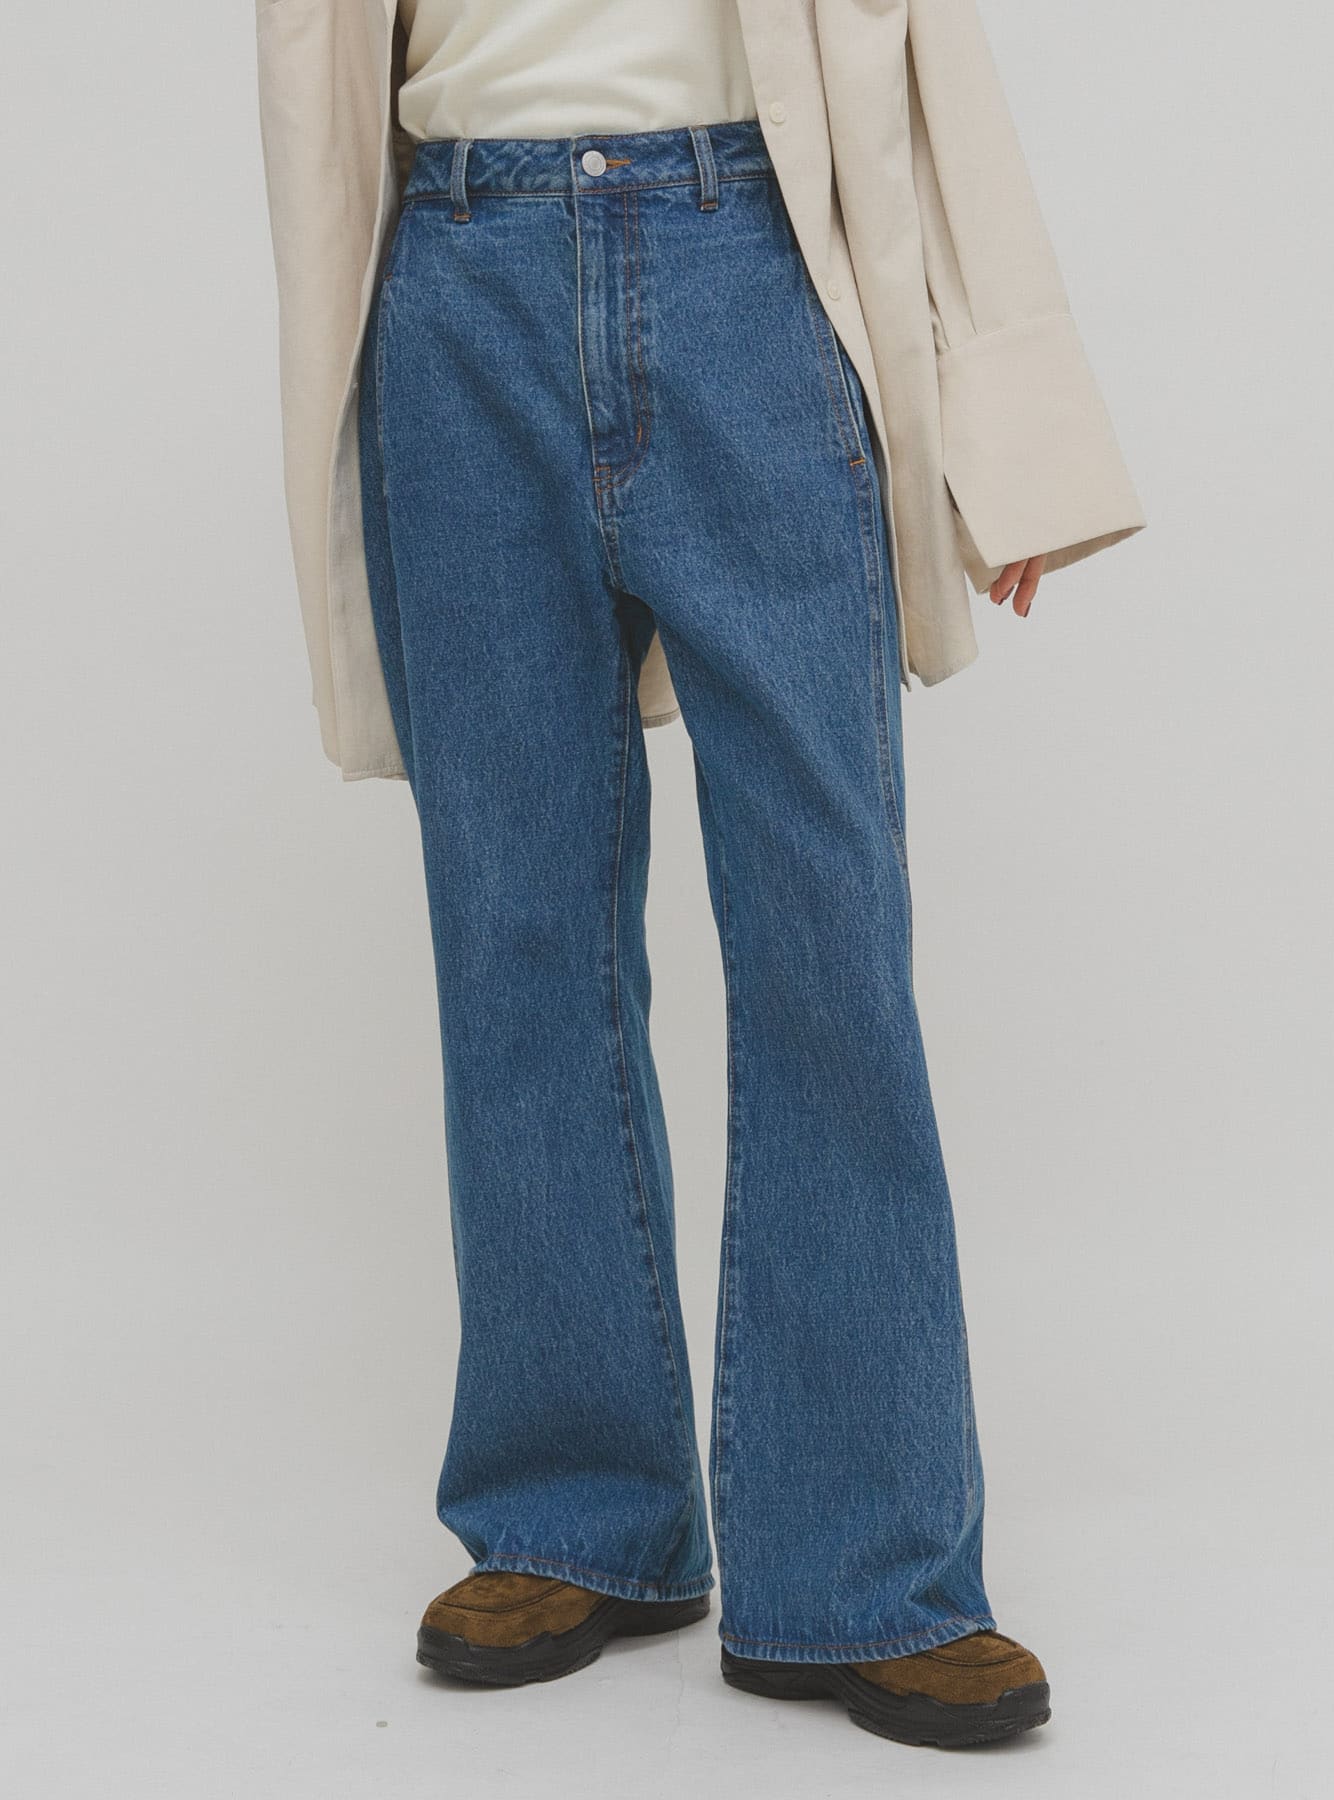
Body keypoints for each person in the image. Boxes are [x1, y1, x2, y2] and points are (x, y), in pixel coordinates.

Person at [255, 0, 1143, 1750]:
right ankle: (572, 1517)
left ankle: (867, 1566)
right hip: (457, 276)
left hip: (751, 260)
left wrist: (1000, 420)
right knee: (515, 933)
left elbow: (921, 48)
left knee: (828, 928)